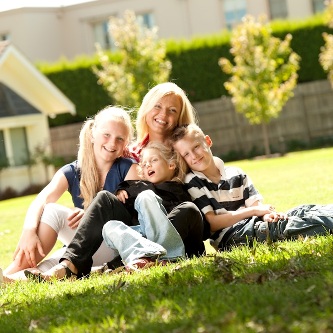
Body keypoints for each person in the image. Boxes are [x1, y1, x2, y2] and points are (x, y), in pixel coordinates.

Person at [25, 82, 200, 280]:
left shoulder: (184, 150)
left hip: (172, 223)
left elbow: (206, 173)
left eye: (172, 110)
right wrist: (97, 210)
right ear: (147, 109)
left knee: (183, 209)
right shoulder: (130, 152)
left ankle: (116, 263)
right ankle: (63, 267)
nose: (163, 114)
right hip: (134, 227)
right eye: (157, 106)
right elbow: (125, 199)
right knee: (102, 202)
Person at [3, 106, 138, 282]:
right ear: (92, 134)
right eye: (107, 135)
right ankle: (7, 279)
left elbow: (135, 221)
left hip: (115, 246)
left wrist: (92, 217)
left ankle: (10, 273)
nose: (112, 143)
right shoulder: (73, 171)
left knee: (54, 213)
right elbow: (41, 200)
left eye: (120, 139)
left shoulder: (129, 169)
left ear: (125, 143)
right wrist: (29, 232)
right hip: (84, 248)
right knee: (49, 266)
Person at [169, 123, 333, 249]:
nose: (194, 156)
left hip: (254, 224)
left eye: (196, 147)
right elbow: (213, 223)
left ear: (208, 141)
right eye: (186, 154)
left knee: (301, 210)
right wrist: (254, 212)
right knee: (284, 227)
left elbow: (257, 206)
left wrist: (266, 215)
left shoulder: (236, 173)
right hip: (232, 236)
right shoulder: (193, 181)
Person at [101, 141, 204, 271]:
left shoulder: (178, 190)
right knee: (109, 226)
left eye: (154, 160)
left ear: (171, 165)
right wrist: (120, 191)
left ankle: (165, 257)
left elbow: (186, 223)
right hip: (145, 237)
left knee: (181, 207)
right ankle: (143, 256)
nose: (148, 164)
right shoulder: (137, 188)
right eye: (144, 164)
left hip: (174, 238)